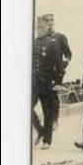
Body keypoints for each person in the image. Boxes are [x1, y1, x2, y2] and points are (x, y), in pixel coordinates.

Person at [32, 15, 65, 148]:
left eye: (42, 27)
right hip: (34, 83)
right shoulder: (33, 43)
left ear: (47, 28)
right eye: (37, 27)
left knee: (47, 112)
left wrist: (58, 82)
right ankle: (40, 129)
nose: (39, 29)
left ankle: (47, 140)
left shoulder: (52, 43)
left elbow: (59, 66)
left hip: (47, 83)